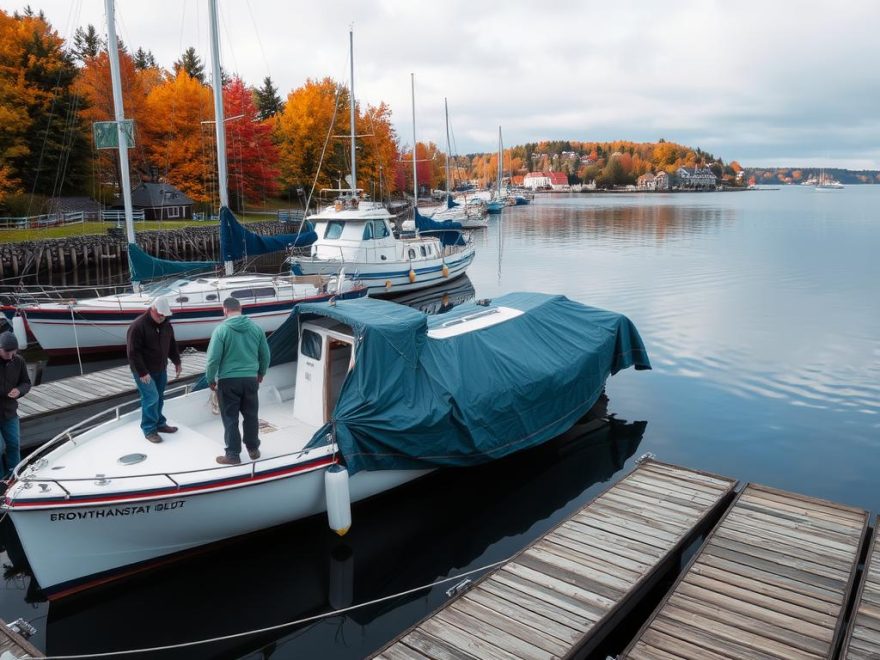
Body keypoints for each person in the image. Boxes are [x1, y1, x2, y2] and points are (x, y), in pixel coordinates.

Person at [205, 297, 270, 465]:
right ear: (240, 309)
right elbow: (265, 355)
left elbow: (213, 359)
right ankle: (253, 448)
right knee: (251, 415)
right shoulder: (256, 328)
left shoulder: (221, 330)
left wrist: (210, 378)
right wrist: (261, 372)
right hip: (250, 380)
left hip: (228, 381)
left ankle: (233, 455)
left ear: (225, 310)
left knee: (230, 418)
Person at [127, 297, 182, 443]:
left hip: (160, 368)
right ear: (152, 309)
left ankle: (160, 423)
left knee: (160, 396)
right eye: (160, 314)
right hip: (144, 371)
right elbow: (133, 352)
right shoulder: (138, 326)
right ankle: (149, 429)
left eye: (165, 315)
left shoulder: (166, 325)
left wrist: (177, 361)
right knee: (151, 397)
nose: (162, 317)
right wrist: (142, 372)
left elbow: (171, 344)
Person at [0, 331, 30, 479]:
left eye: (14, 352)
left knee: (13, 445)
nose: (11, 356)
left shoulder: (19, 361)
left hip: (9, 413)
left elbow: (26, 383)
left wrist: (19, 390)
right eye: (7, 353)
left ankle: (13, 476)